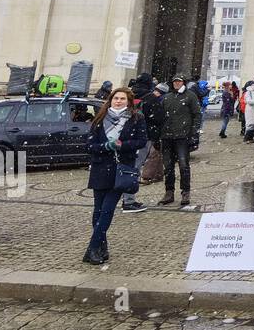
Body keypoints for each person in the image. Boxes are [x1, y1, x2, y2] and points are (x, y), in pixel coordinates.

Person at [83, 88, 147, 265]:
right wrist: (105, 146)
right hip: (100, 168)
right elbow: (89, 145)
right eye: (116, 98)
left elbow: (141, 141)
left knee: (107, 210)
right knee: (97, 211)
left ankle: (93, 248)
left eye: (122, 99)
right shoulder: (100, 119)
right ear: (110, 100)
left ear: (128, 101)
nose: (118, 101)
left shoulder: (136, 118)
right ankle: (102, 248)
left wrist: (121, 145)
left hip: (120, 170)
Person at [157, 76, 201, 210]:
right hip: (167, 136)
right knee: (168, 167)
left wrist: (193, 133)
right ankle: (169, 192)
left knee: (183, 165)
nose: (176, 83)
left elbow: (197, 114)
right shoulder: (167, 97)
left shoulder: (190, 96)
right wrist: (158, 135)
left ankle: (185, 192)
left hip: (182, 136)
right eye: (175, 81)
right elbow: (160, 116)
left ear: (183, 83)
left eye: (179, 81)